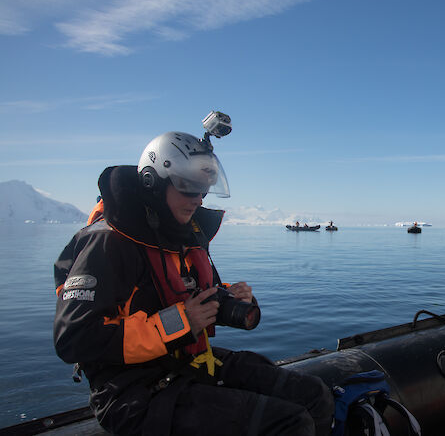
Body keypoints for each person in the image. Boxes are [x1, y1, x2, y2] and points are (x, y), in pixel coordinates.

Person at [54, 131, 334, 435]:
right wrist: (180, 322)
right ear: (153, 183)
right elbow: (75, 338)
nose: (198, 199)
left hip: (188, 364)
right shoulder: (108, 243)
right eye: (188, 187)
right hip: (131, 392)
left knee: (314, 396)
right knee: (290, 423)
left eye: (203, 189)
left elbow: (194, 295)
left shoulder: (180, 233)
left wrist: (233, 299)